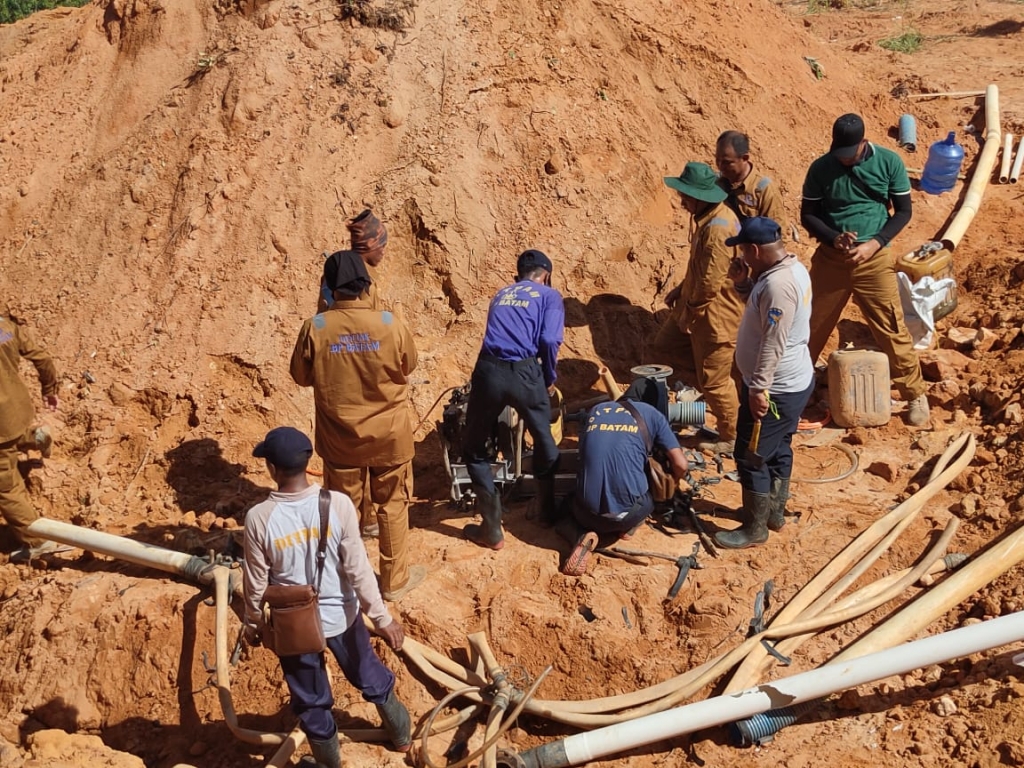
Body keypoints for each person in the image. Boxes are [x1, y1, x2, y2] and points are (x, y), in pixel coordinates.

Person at [242, 426, 412, 768]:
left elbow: (256, 584)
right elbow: (358, 569)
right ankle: (402, 738)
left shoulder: (259, 519)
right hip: (343, 617)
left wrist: (253, 622)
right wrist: (382, 618)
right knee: (369, 674)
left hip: (294, 627)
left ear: (272, 468)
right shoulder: (338, 504)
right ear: (308, 464)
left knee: (311, 699)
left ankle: (328, 763)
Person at [290, 252, 425, 601]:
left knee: (343, 511)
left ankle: (348, 581)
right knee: (393, 505)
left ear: (329, 287)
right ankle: (394, 582)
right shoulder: (390, 323)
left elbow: (300, 376)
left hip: (341, 440)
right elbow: (409, 364)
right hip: (389, 437)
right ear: (367, 285)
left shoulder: (316, 327)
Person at [801, 113, 930, 426]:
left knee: (891, 326)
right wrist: (833, 237)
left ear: (864, 143)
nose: (844, 160)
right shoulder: (821, 168)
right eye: (840, 154)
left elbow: (903, 212)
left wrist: (875, 243)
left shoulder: (889, 162)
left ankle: (914, 393)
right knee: (809, 327)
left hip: (874, 260)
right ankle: (797, 390)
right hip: (832, 260)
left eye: (850, 154)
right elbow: (808, 215)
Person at [715, 217, 814, 549]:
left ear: (755, 250)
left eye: (744, 250)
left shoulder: (778, 286)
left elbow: (773, 341)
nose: (742, 256)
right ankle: (773, 512)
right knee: (779, 447)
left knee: (751, 455)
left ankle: (755, 528)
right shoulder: (791, 271)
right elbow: (763, 316)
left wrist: (758, 388)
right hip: (791, 382)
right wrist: (744, 284)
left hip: (775, 389)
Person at [461, 249, 564, 549]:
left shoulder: (501, 294)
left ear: (518, 275)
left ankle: (491, 529)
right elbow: (549, 339)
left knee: (474, 449)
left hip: (489, 371)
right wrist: (549, 378)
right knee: (545, 441)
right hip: (526, 373)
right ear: (545, 275)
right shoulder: (549, 295)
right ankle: (546, 513)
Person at [648, 161, 743, 455]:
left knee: (715, 382)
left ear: (701, 197)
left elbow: (710, 284)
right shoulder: (708, 219)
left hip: (714, 317)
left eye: (686, 196)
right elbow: (701, 271)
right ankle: (710, 381)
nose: (682, 201)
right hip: (695, 306)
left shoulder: (717, 230)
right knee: (663, 346)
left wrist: (689, 313)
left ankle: (732, 436)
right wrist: (681, 289)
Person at [562, 378, 689, 576]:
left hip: (585, 513)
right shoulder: (652, 414)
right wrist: (673, 483)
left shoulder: (597, 409)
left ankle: (580, 536)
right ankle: (629, 526)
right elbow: (681, 464)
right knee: (650, 495)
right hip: (627, 515)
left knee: (565, 507)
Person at [316, 210, 390, 537]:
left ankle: (364, 519)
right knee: (352, 459)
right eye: (381, 246)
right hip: (351, 373)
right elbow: (345, 326)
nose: (383, 252)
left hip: (351, 370)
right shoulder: (353, 279)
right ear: (368, 246)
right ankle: (353, 526)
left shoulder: (347, 270)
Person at [1, 315, 59, 562]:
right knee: (12, 435)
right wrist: (49, 388)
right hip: (18, 409)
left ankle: (38, 542)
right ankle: (34, 437)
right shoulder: (5, 326)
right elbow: (42, 357)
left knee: (7, 489)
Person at [317, 209, 389, 314]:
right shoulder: (357, 276)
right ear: (370, 243)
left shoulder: (339, 268)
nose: (383, 252)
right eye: (382, 246)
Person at [715, 130, 786, 228]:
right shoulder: (716, 184)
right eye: (717, 160)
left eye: (727, 162)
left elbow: (776, 231)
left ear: (745, 158)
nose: (720, 166)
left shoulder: (765, 190)